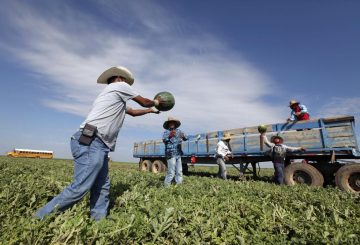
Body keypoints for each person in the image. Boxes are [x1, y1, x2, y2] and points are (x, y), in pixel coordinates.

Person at [35, 66, 162, 221]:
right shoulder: (119, 87)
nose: (128, 84)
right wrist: (156, 102)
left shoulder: (114, 98)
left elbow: (134, 112)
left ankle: (98, 222)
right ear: (120, 78)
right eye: (126, 81)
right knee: (80, 188)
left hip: (98, 144)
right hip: (91, 140)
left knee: (102, 186)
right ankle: (38, 219)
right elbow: (143, 101)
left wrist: (150, 111)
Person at [163, 117, 188, 187]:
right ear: (168, 124)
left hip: (178, 154)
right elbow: (164, 140)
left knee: (179, 171)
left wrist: (183, 136)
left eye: (173, 122)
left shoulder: (179, 131)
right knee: (171, 172)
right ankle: (166, 186)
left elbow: (186, 138)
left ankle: (179, 185)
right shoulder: (166, 132)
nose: (171, 124)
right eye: (170, 123)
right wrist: (170, 135)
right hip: (170, 154)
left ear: (175, 124)